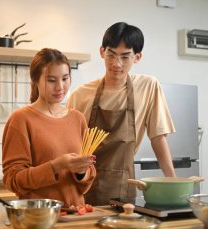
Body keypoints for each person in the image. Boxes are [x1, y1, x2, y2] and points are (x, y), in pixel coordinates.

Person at [67, 22, 176, 205]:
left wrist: (173, 182)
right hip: (83, 186)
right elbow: (69, 146)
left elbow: (158, 137)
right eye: (111, 55)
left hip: (123, 189)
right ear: (102, 52)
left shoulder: (148, 86)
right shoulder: (80, 94)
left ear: (137, 57)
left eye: (125, 57)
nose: (117, 64)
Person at [2, 48, 96, 207]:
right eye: (51, 80)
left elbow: (87, 180)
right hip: (39, 217)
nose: (60, 87)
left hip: (75, 217)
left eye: (65, 78)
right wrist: (57, 165)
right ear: (35, 80)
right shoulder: (20, 119)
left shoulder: (77, 118)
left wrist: (82, 172)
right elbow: (13, 180)